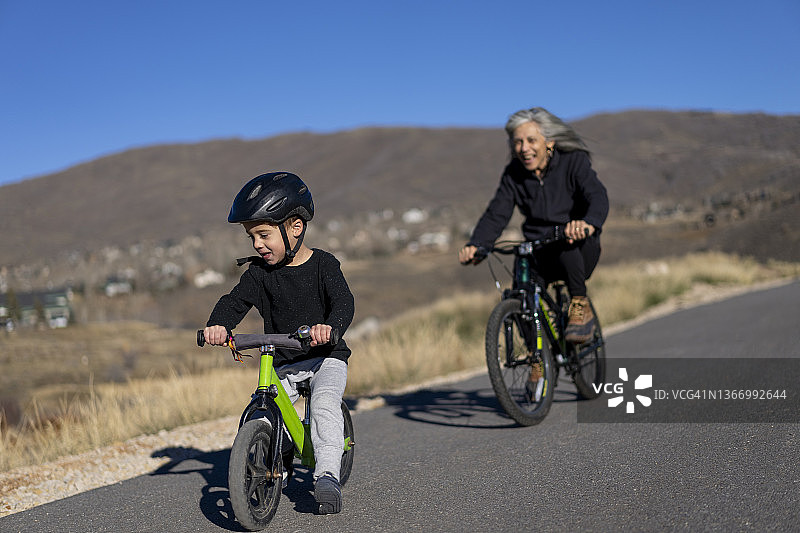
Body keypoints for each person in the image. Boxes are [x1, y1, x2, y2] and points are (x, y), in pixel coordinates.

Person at [204, 171, 354, 515]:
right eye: (251, 236)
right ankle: (274, 462)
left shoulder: (324, 266)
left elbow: (344, 302)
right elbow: (234, 302)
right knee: (269, 412)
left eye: (263, 234)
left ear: (295, 228)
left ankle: (327, 474)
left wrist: (329, 327)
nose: (256, 244)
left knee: (323, 406)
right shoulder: (258, 273)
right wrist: (218, 325)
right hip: (283, 360)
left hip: (325, 357)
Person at [459, 107, 608, 343]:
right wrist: (477, 244)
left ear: (549, 142)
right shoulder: (513, 174)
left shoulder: (573, 161)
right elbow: (496, 213)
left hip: (577, 247)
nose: (524, 148)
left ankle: (580, 302)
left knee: (565, 242)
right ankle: (537, 357)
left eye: (531, 140)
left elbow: (597, 196)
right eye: (517, 142)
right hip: (539, 250)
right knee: (520, 295)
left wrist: (588, 223)